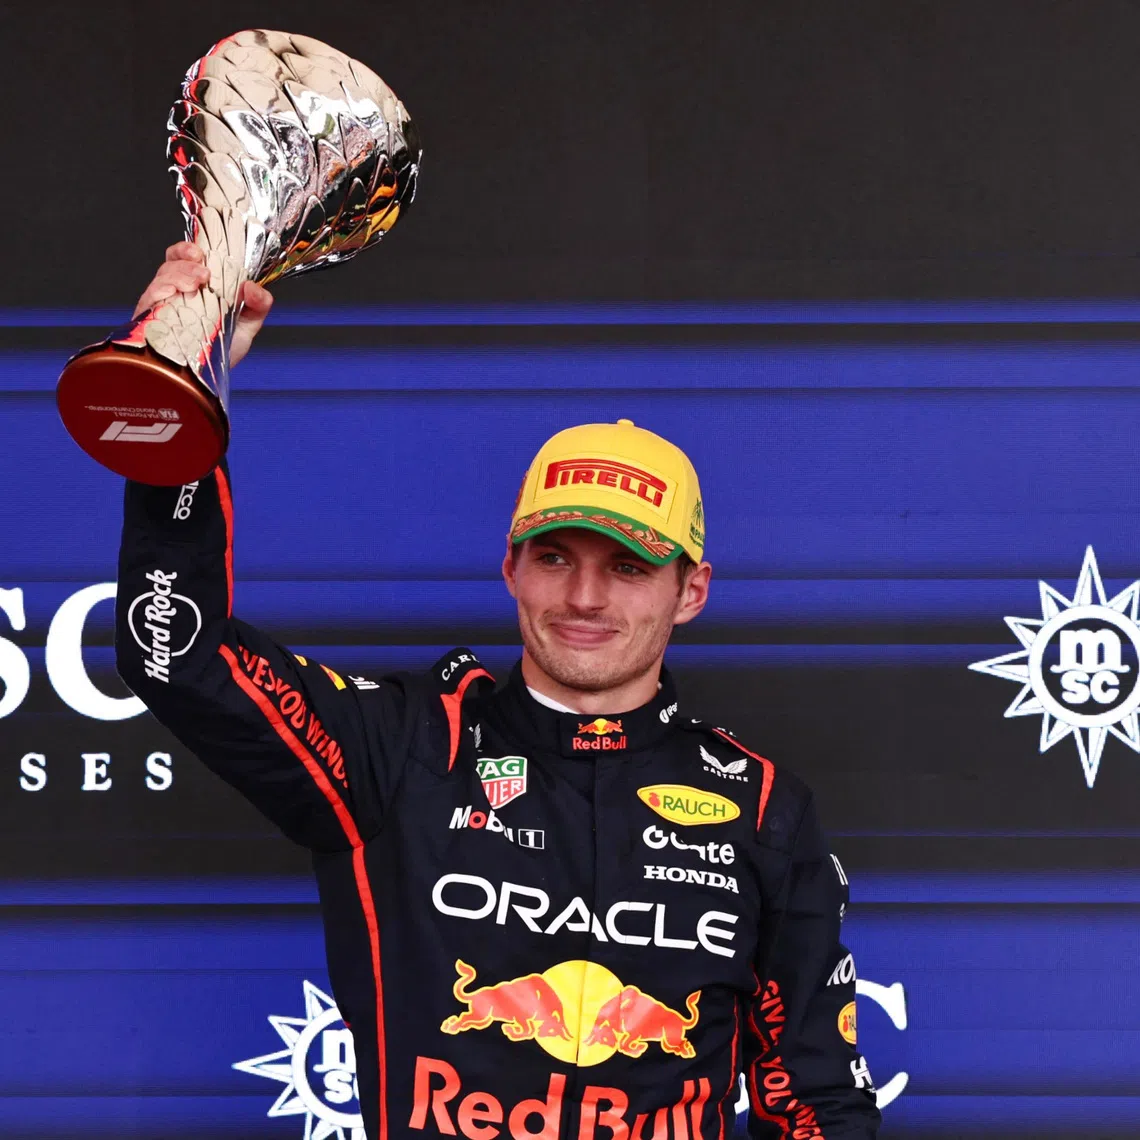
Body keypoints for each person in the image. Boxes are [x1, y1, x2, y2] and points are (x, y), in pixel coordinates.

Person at [116, 243, 881, 1140]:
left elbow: (814, 1104)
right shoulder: (405, 747)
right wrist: (177, 396)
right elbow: (178, 655)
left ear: (692, 591)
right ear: (510, 567)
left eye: (629, 567)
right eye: (555, 557)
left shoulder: (761, 809)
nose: (585, 598)